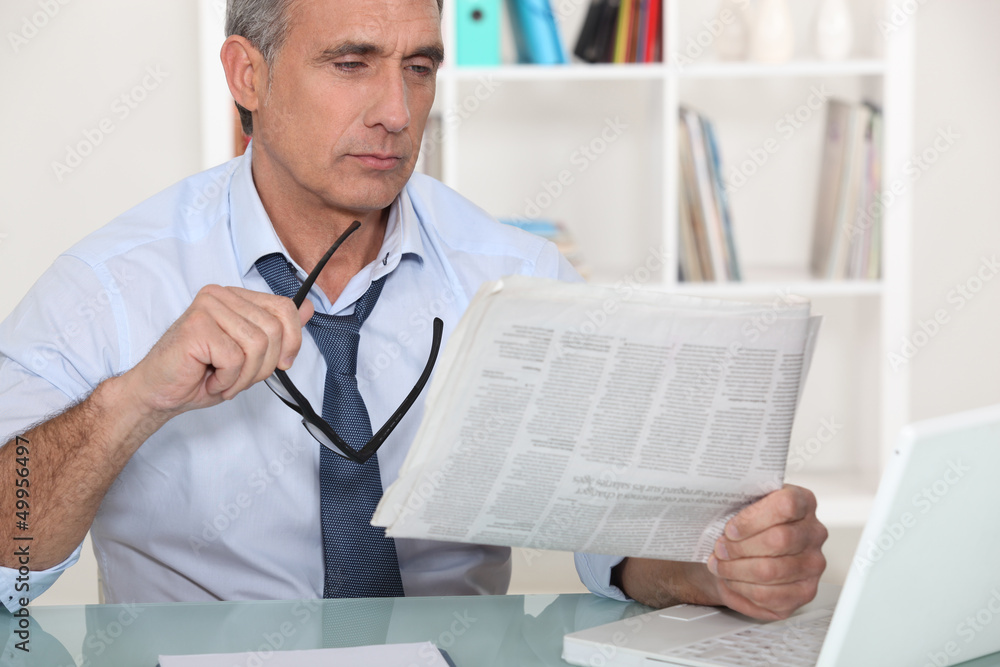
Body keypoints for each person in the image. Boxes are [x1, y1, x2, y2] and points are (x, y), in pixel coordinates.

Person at [0, 0, 826, 620]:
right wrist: (132, 398)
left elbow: (615, 534)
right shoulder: (107, 285)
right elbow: (7, 561)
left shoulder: (518, 275)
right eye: (351, 64)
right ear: (246, 75)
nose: (396, 111)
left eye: (420, 68)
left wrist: (714, 567)